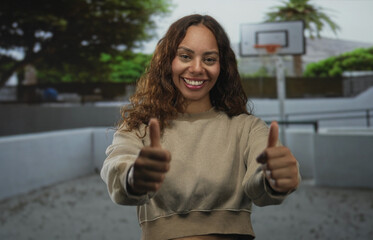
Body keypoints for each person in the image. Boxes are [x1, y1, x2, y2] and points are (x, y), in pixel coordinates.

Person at [101, 14, 301, 240]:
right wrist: (133, 177)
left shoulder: (246, 128)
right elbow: (116, 166)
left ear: (222, 67)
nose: (197, 68)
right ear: (167, 61)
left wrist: (273, 179)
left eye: (209, 59)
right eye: (185, 56)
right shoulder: (140, 126)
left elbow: (260, 187)